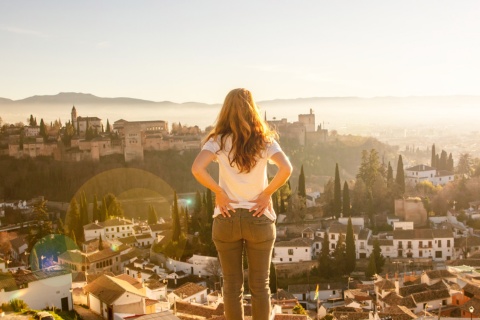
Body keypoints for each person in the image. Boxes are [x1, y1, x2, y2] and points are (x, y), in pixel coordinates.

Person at [191, 88, 292, 320]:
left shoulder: (217, 140)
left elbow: (197, 169)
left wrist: (219, 192)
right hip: (259, 218)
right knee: (260, 286)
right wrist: (267, 193)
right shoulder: (265, 140)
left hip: (226, 217)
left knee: (231, 286)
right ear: (252, 109)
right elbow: (287, 169)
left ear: (225, 110)